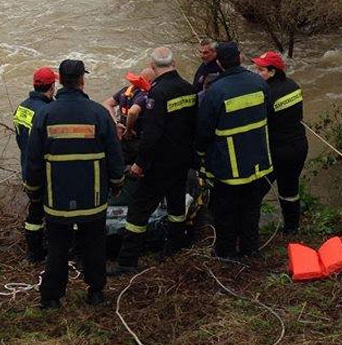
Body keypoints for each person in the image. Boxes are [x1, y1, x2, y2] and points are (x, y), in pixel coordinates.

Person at [24, 59, 124, 309]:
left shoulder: (45, 114)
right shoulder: (98, 113)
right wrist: (116, 183)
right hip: (93, 197)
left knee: (57, 250)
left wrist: (34, 190)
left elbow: (33, 159)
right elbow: (114, 154)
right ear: (82, 80)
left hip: (57, 199)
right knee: (94, 246)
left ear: (60, 81)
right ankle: (96, 292)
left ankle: (51, 298)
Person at [109, 46, 197, 275]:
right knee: (176, 205)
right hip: (182, 160)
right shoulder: (188, 88)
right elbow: (192, 124)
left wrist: (140, 164)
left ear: (152, 67)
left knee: (137, 210)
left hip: (160, 163)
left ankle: (127, 262)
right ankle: (175, 246)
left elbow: (152, 134)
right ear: (174, 63)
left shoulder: (157, 94)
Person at [196, 42, 272, 258]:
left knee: (225, 211)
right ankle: (250, 249)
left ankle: (226, 252)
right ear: (239, 58)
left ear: (219, 62)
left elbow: (204, 131)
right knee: (251, 208)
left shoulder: (215, 91)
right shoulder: (259, 83)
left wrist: (201, 155)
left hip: (228, 165)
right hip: (257, 160)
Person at [252, 51, 308, 234]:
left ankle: (250, 232)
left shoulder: (266, 93)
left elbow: (260, 123)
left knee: (256, 191)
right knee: (290, 190)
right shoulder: (293, 86)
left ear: (273, 72)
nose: (256, 73)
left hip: (278, 149)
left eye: (260, 70)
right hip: (298, 146)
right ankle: (292, 229)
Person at [13, 66, 57, 262]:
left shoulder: (22, 107)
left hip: (27, 169)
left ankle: (33, 253)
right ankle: (55, 250)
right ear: (52, 86)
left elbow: (20, 140)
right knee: (52, 210)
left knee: (35, 211)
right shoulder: (47, 111)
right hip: (45, 171)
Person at [101, 68, 156, 165]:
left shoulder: (126, 90)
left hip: (121, 136)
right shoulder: (145, 94)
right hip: (136, 138)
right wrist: (129, 130)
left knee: (121, 163)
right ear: (150, 81)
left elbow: (106, 104)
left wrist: (116, 123)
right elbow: (133, 112)